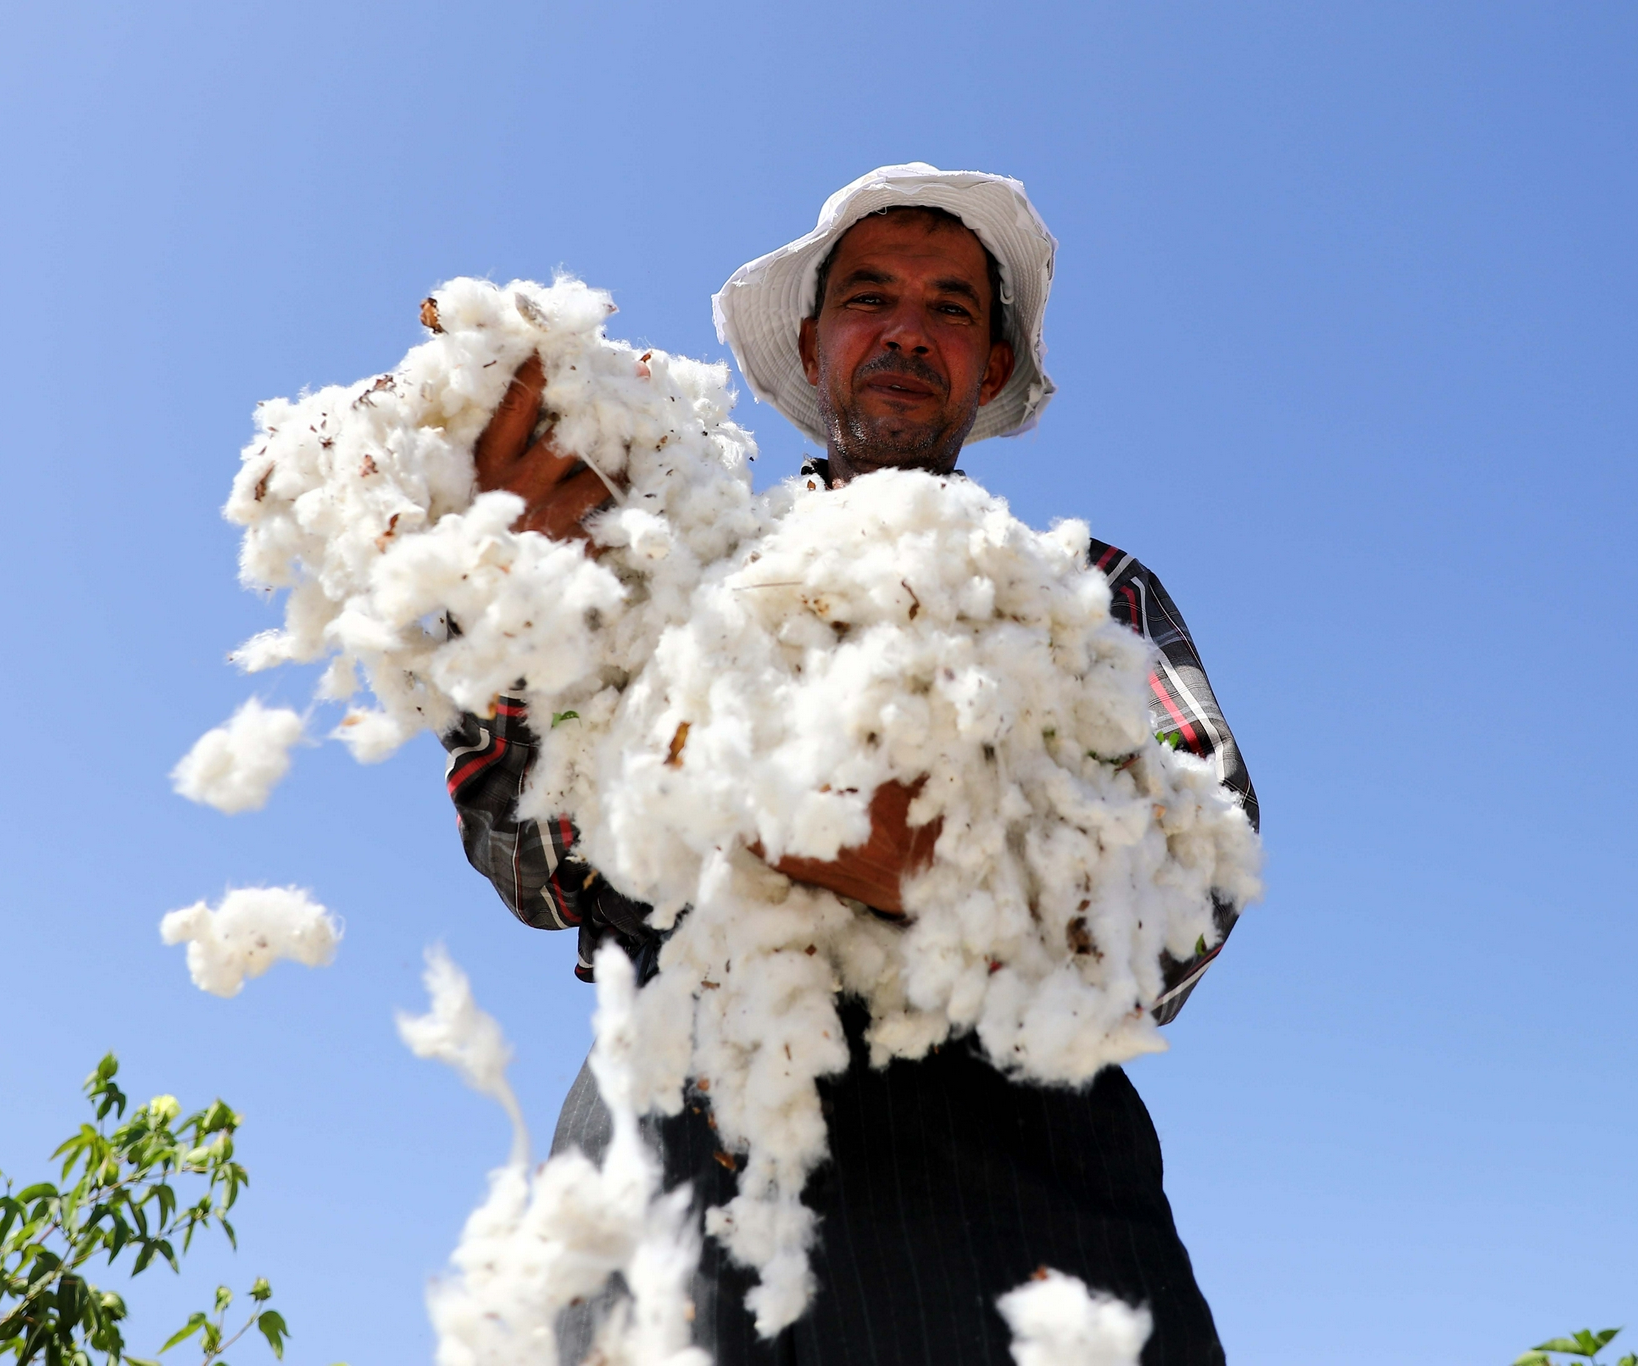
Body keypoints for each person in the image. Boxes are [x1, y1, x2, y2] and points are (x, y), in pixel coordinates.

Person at [439, 164, 1258, 1365]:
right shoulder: (673, 562)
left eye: (951, 308)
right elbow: (530, 865)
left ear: (989, 367)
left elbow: (1196, 894)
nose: (907, 331)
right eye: (870, 297)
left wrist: (935, 881)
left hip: (1022, 1215)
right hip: (680, 1170)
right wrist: (520, 609)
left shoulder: (1087, 597)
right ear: (816, 346)